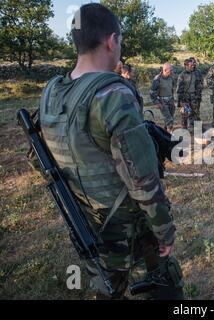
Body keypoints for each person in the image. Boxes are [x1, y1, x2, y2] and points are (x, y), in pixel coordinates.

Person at [37, 3, 184, 300]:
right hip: (130, 232)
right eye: (120, 41)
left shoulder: (52, 91)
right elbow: (142, 179)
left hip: (88, 225)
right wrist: (164, 230)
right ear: (111, 40)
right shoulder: (112, 94)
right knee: (165, 290)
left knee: (106, 289)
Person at [150, 63, 177, 132]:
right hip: (162, 101)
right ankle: (170, 135)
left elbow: (172, 88)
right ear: (165, 70)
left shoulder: (171, 77)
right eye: (170, 70)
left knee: (171, 117)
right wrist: (156, 102)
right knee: (169, 119)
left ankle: (165, 133)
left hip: (171, 100)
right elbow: (152, 93)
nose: (172, 72)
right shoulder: (157, 79)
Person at [177, 59, 202, 130]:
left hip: (193, 97)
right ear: (186, 66)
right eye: (191, 65)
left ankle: (198, 128)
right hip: (185, 98)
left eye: (193, 65)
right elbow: (179, 90)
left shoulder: (194, 74)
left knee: (196, 113)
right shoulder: (182, 75)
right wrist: (180, 101)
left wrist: (197, 95)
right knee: (185, 114)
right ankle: (184, 130)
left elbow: (198, 85)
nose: (193, 67)